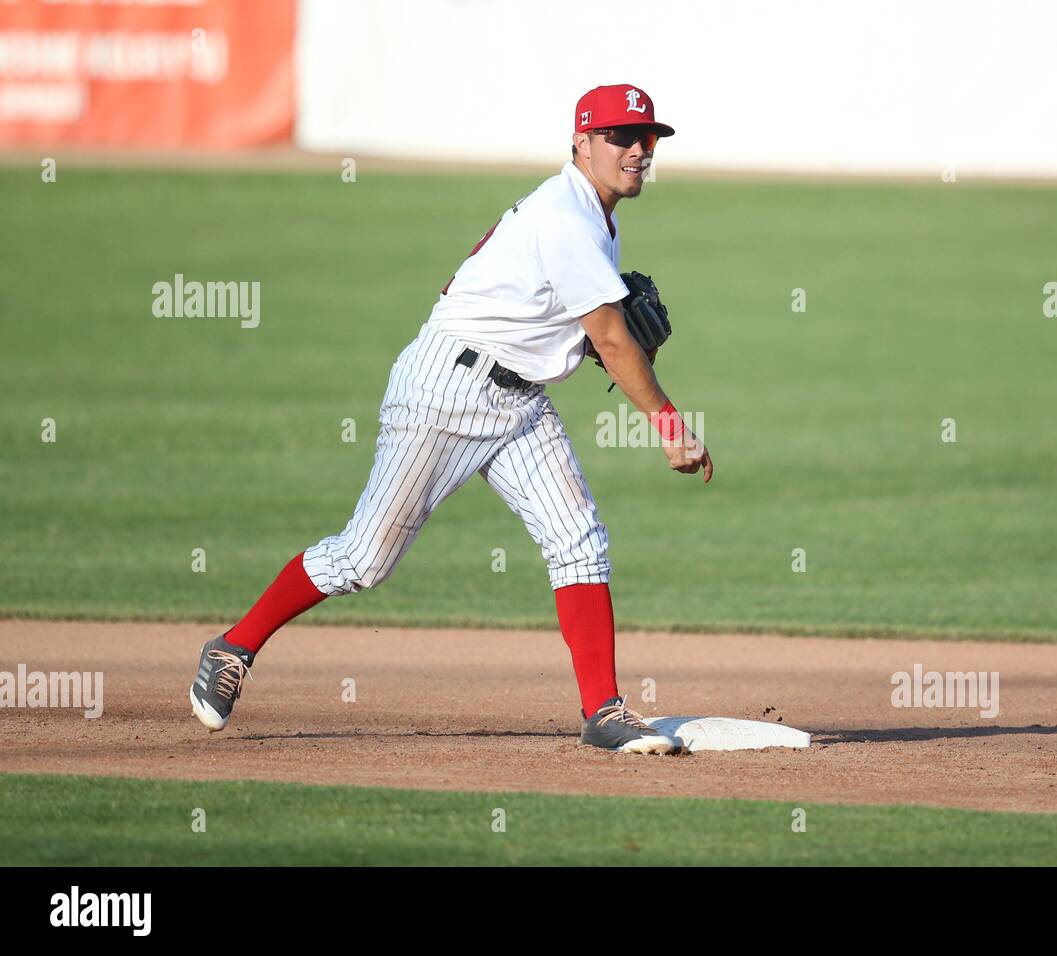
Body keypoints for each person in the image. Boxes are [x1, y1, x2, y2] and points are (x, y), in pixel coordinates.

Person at [188, 83, 713, 754]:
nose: (638, 150)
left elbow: (568, 325)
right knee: (363, 559)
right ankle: (233, 648)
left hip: (517, 398)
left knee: (579, 539)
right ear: (581, 142)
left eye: (647, 138)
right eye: (621, 136)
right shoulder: (565, 218)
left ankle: (603, 710)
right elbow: (611, 339)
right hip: (446, 389)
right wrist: (670, 425)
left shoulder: (592, 214)